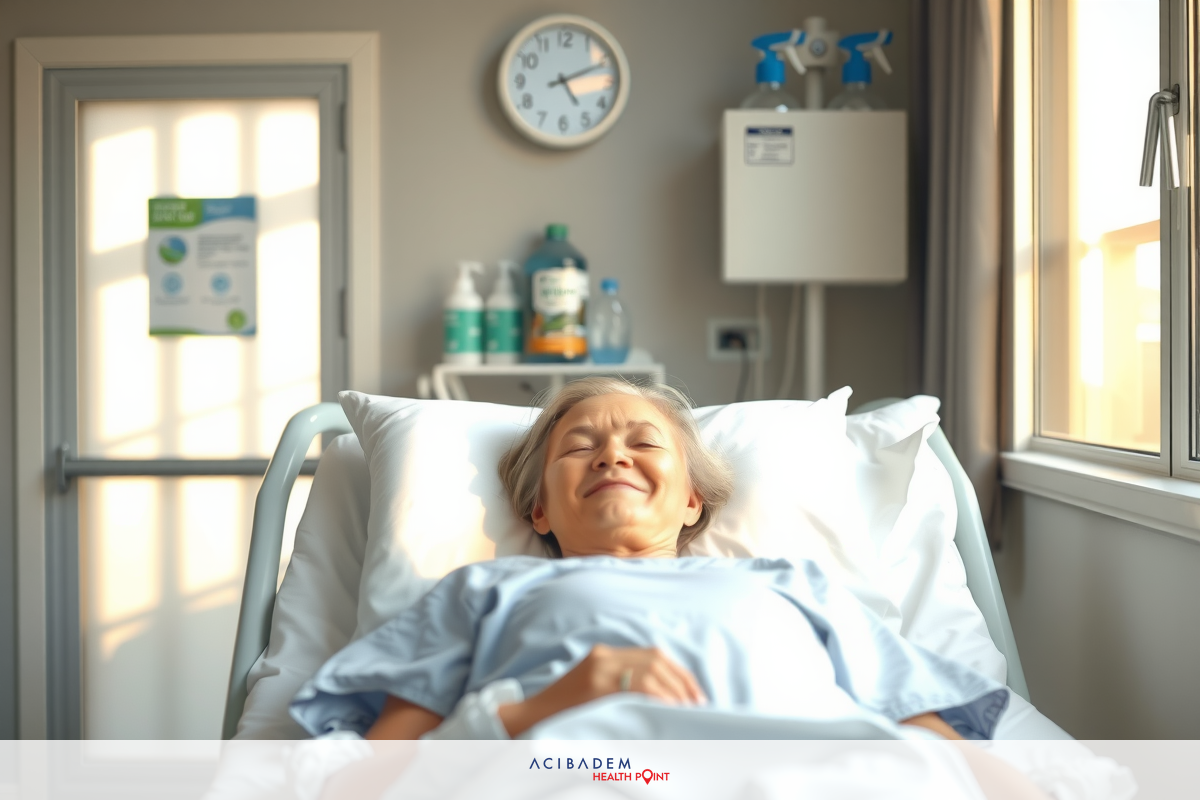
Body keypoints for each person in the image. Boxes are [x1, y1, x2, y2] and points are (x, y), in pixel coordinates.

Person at [292, 377, 1013, 744]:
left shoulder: (792, 586)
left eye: (642, 441)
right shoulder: (484, 590)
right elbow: (378, 775)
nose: (611, 452)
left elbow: (932, 741)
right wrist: (544, 705)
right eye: (579, 446)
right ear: (537, 509)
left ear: (694, 501)